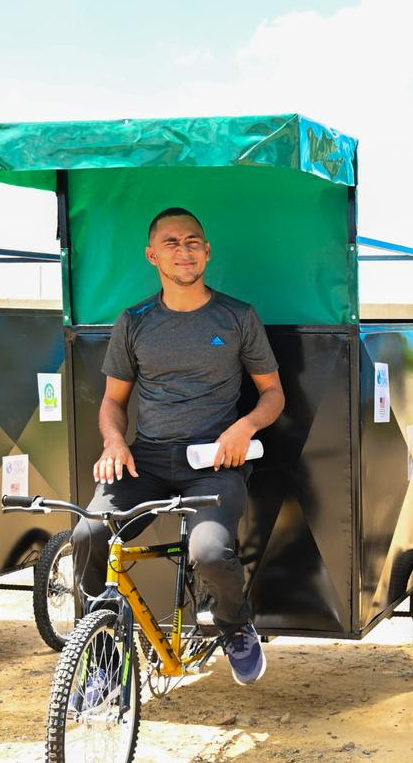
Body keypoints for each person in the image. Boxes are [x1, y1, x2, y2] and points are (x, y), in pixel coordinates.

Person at [73, 207, 284, 685]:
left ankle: (234, 625)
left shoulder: (237, 317)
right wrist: (113, 442)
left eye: (193, 242)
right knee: (87, 535)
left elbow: (273, 394)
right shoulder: (135, 321)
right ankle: (103, 654)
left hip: (213, 464)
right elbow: (112, 401)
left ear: (207, 252)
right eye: (171, 243)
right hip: (144, 460)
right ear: (152, 255)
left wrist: (244, 427)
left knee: (210, 553)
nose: (183, 251)